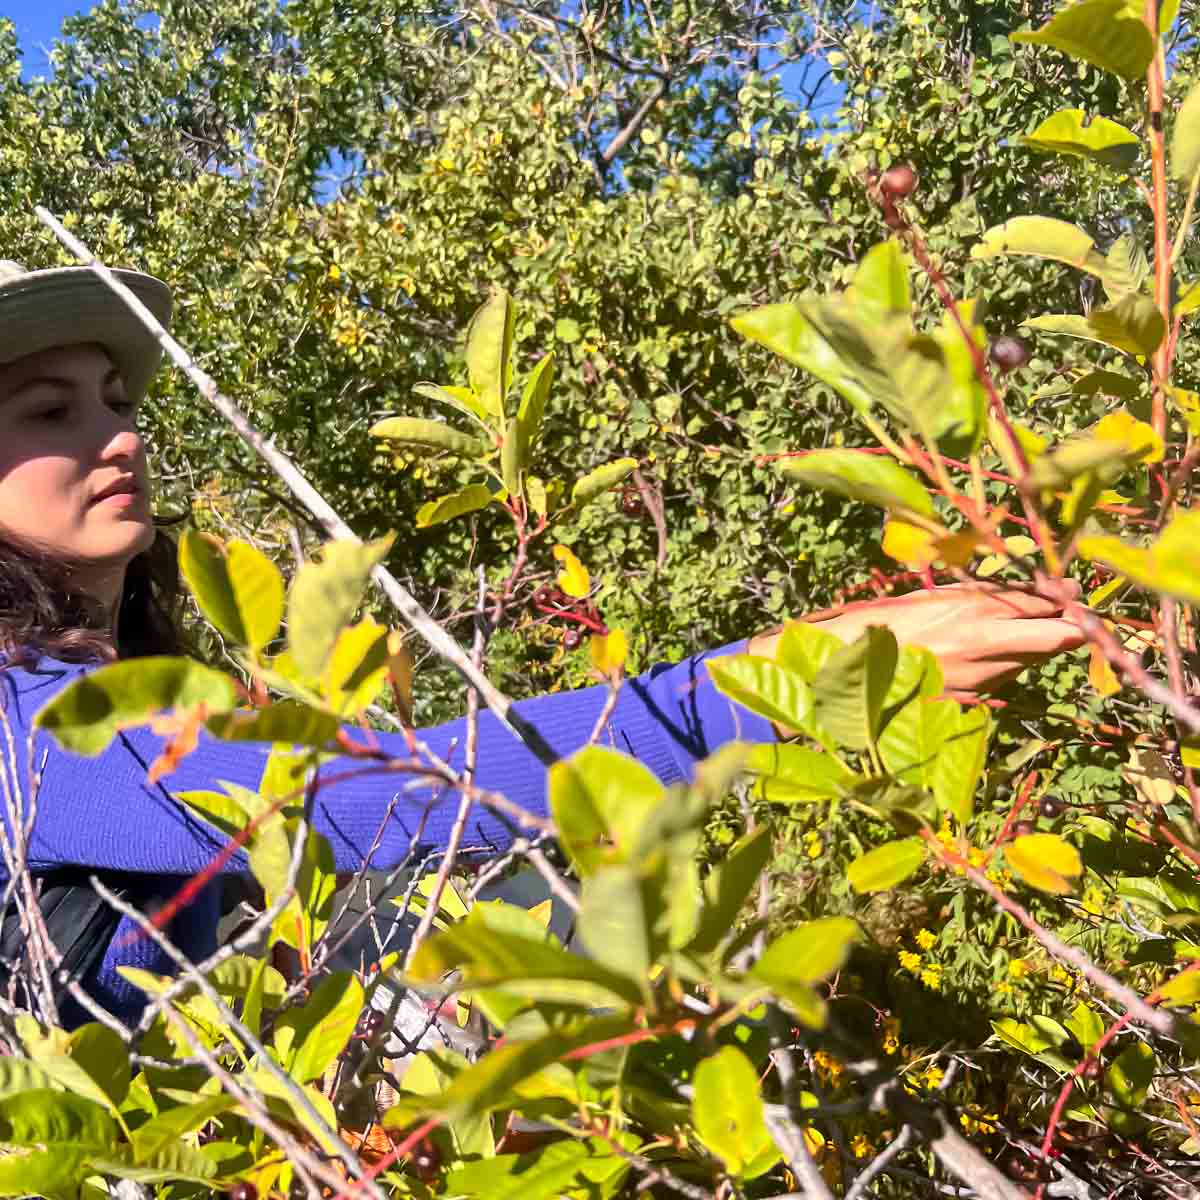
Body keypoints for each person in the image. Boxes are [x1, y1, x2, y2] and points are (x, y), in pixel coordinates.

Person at [0, 260, 1086, 1026]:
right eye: (51, 413)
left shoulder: (131, 695)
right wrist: (769, 685)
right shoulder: (17, 721)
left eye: (113, 397)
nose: (122, 432)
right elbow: (337, 797)